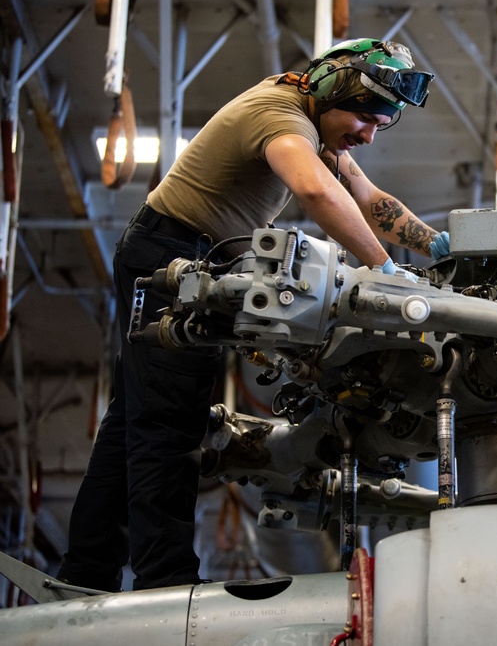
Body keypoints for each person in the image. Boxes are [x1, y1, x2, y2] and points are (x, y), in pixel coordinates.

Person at [58, 37, 451, 591]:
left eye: (380, 126)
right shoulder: (281, 117)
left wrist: (439, 248)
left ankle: (86, 571)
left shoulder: (315, 118)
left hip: (182, 253)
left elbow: (366, 195)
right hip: (169, 256)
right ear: (333, 91)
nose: (367, 134)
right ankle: (164, 580)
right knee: (168, 424)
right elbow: (314, 191)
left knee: (133, 420)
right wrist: (386, 269)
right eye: (365, 117)